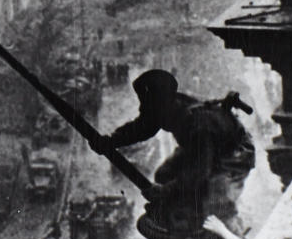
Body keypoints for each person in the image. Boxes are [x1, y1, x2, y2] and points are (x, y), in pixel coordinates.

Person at [90, 70, 253, 215]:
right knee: (164, 174)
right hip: (200, 147)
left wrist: (166, 191)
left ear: (162, 103)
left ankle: (211, 225)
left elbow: (199, 170)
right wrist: (112, 141)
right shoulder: (166, 106)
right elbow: (142, 127)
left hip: (232, 154)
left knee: (214, 197)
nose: (142, 109)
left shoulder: (198, 124)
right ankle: (180, 210)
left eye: (145, 104)